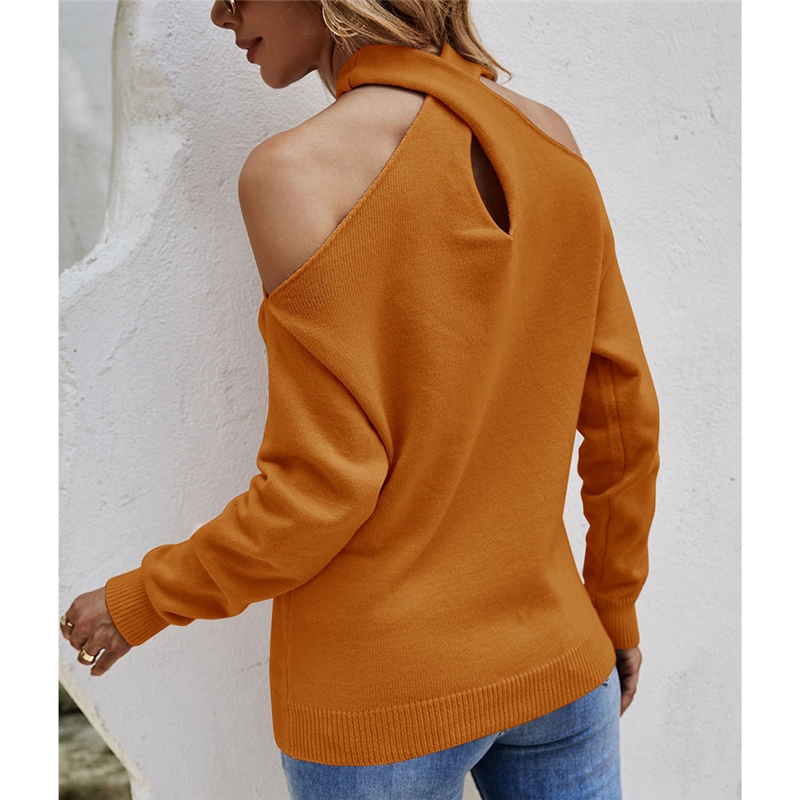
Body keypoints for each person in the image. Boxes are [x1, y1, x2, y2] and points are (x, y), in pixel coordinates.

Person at [60, 2, 660, 798]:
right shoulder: (550, 136)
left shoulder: (294, 175)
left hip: (381, 700)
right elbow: (625, 418)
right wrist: (612, 608)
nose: (219, 13)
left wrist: (141, 600)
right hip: (560, 662)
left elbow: (322, 491)